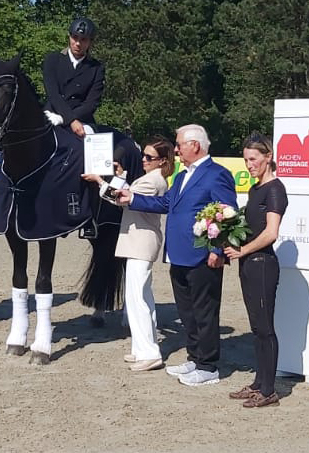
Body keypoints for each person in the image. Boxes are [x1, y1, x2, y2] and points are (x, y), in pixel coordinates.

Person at [116, 124, 237, 386]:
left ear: (195, 145)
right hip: (178, 254)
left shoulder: (217, 174)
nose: (177, 148)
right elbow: (165, 203)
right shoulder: (182, 177)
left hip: (203, 255)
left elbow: (227, 212)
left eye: (180, 143)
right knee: (187, 312)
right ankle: (195, 358)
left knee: (205, 311)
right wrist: (131, 199)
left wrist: (218, 250)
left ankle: (208, 365)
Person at [83, 137, 176, 372]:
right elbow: (126, 191)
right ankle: (142, 347)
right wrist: (122, 175)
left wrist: (98, 180)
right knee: (139, 298)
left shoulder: (152, 181)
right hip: (139, 242)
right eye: (143, 156)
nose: (143, 160)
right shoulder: (151, 179)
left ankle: (149, 352)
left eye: (149, 157)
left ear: (162, 161)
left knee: (139, 299)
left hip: (140, 243)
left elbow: (120, 198)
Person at [223, 133, 288, 408]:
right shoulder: (255, 189)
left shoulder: (275, 190)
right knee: (255, 326)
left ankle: (269, 390)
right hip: (249, 263)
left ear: (268, 157)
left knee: (265, 327)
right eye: (246, 159)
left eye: (253, 159)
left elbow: (271, 233)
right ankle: (259, 382)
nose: (249, 165)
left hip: (262, 264)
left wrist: (244, 250)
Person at [42, 17, 105, 138]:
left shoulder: (96, 68)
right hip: (52, 114)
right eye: (75, 38)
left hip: (81, 119)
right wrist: (69, 119)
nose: (78, 43)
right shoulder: (53, 60)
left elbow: (91, 103)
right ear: (69, 37)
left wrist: (67, 119)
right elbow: (53, 94)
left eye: (83, 40)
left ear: (90, 42)